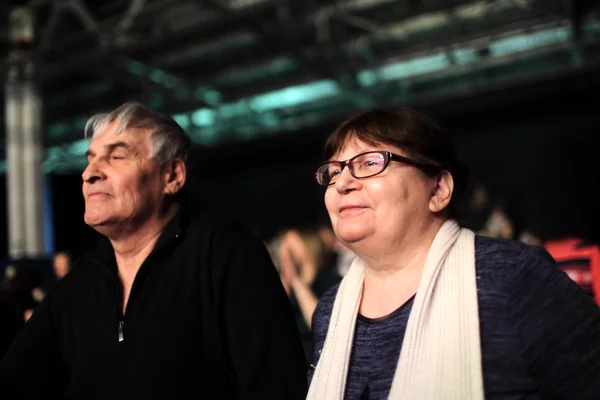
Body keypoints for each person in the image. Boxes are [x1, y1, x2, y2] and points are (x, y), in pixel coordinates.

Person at [0, 102, 308, 399]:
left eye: (116, 157)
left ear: (172, 176)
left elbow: (276, 385)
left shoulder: (220, 249)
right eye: (90, 159)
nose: (89, 173)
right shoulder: (77, 286)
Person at [307, 107, 600, 399]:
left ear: (438, 190)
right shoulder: (331, 310)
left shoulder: (511, 277)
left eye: (370, 162)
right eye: (334, 171)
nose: (342, 183)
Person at [277, 228, 342, 363]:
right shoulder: (284, 284)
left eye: (291, 248)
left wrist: (296, 280)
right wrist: (286, 278)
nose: (286, 254)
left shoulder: (329, 280)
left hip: (316, 360)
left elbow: (319, 323)